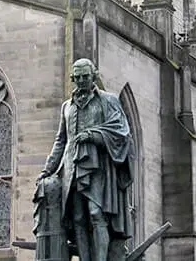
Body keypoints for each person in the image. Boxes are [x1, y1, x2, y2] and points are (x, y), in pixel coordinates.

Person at [38, 59, 133, 261]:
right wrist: (48, 169)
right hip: (71, 168)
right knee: (78, 218)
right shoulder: (67, 107)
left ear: (93, 76)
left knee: (96, 213)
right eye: (77, 77)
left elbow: (121, 132)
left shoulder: (108, 101)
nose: (81, 81)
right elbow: (61, 141)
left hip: (98, 167)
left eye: (85, 77)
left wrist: (93, 136)